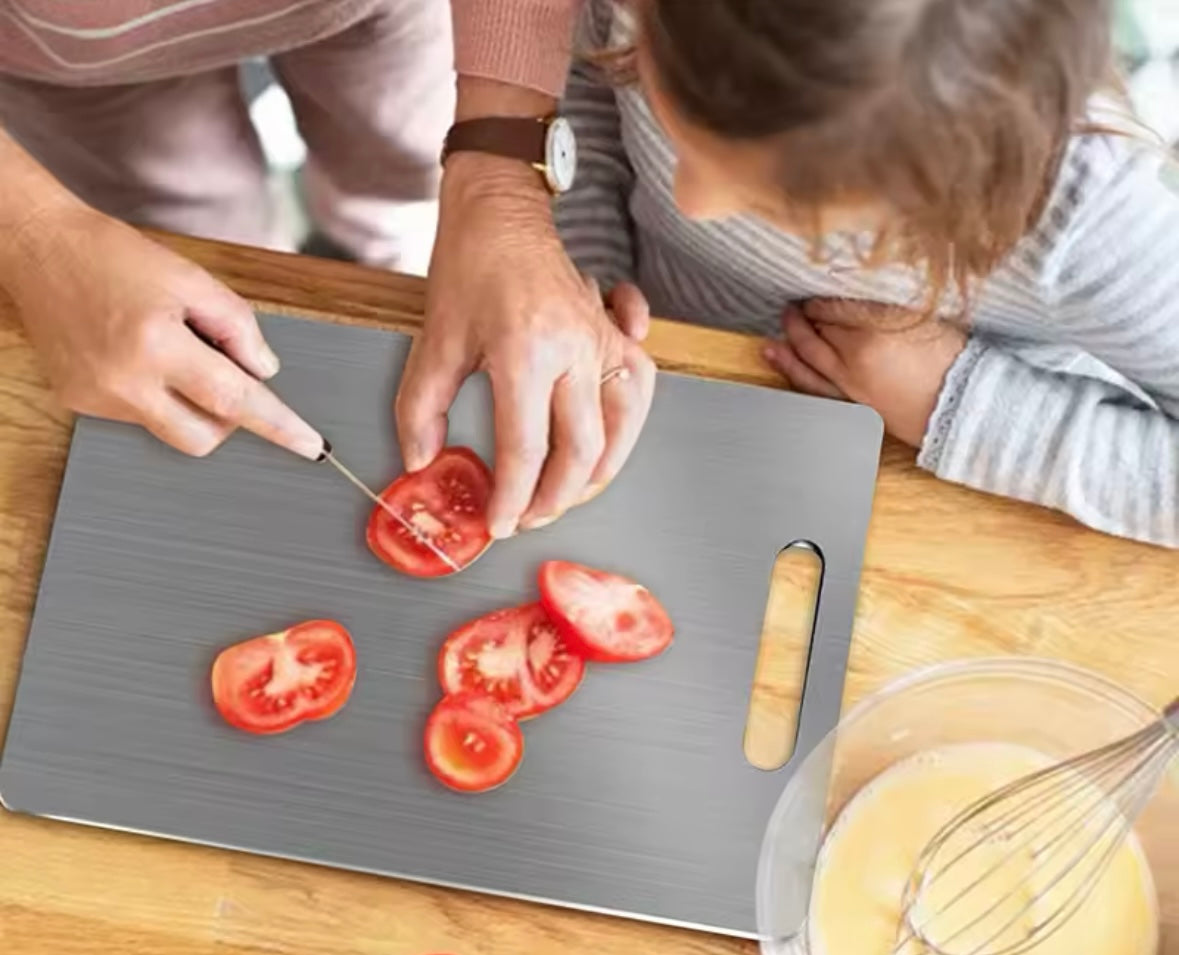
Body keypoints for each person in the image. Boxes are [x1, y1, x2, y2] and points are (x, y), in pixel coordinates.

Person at [0, 0, 648, 538]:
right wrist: (31, 233)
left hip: (387, 12)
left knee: (401, 188)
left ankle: (388, 264)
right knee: (191, 234)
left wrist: (498, 177)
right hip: (73, 65)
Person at [553, 0, 1179, 549]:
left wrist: (956, 401)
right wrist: (586, 270)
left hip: (946, 512)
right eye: (675, 127)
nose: (692, 201)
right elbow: (583, 77)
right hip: (682, 395)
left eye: (779, 206)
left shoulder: (1085, 221)